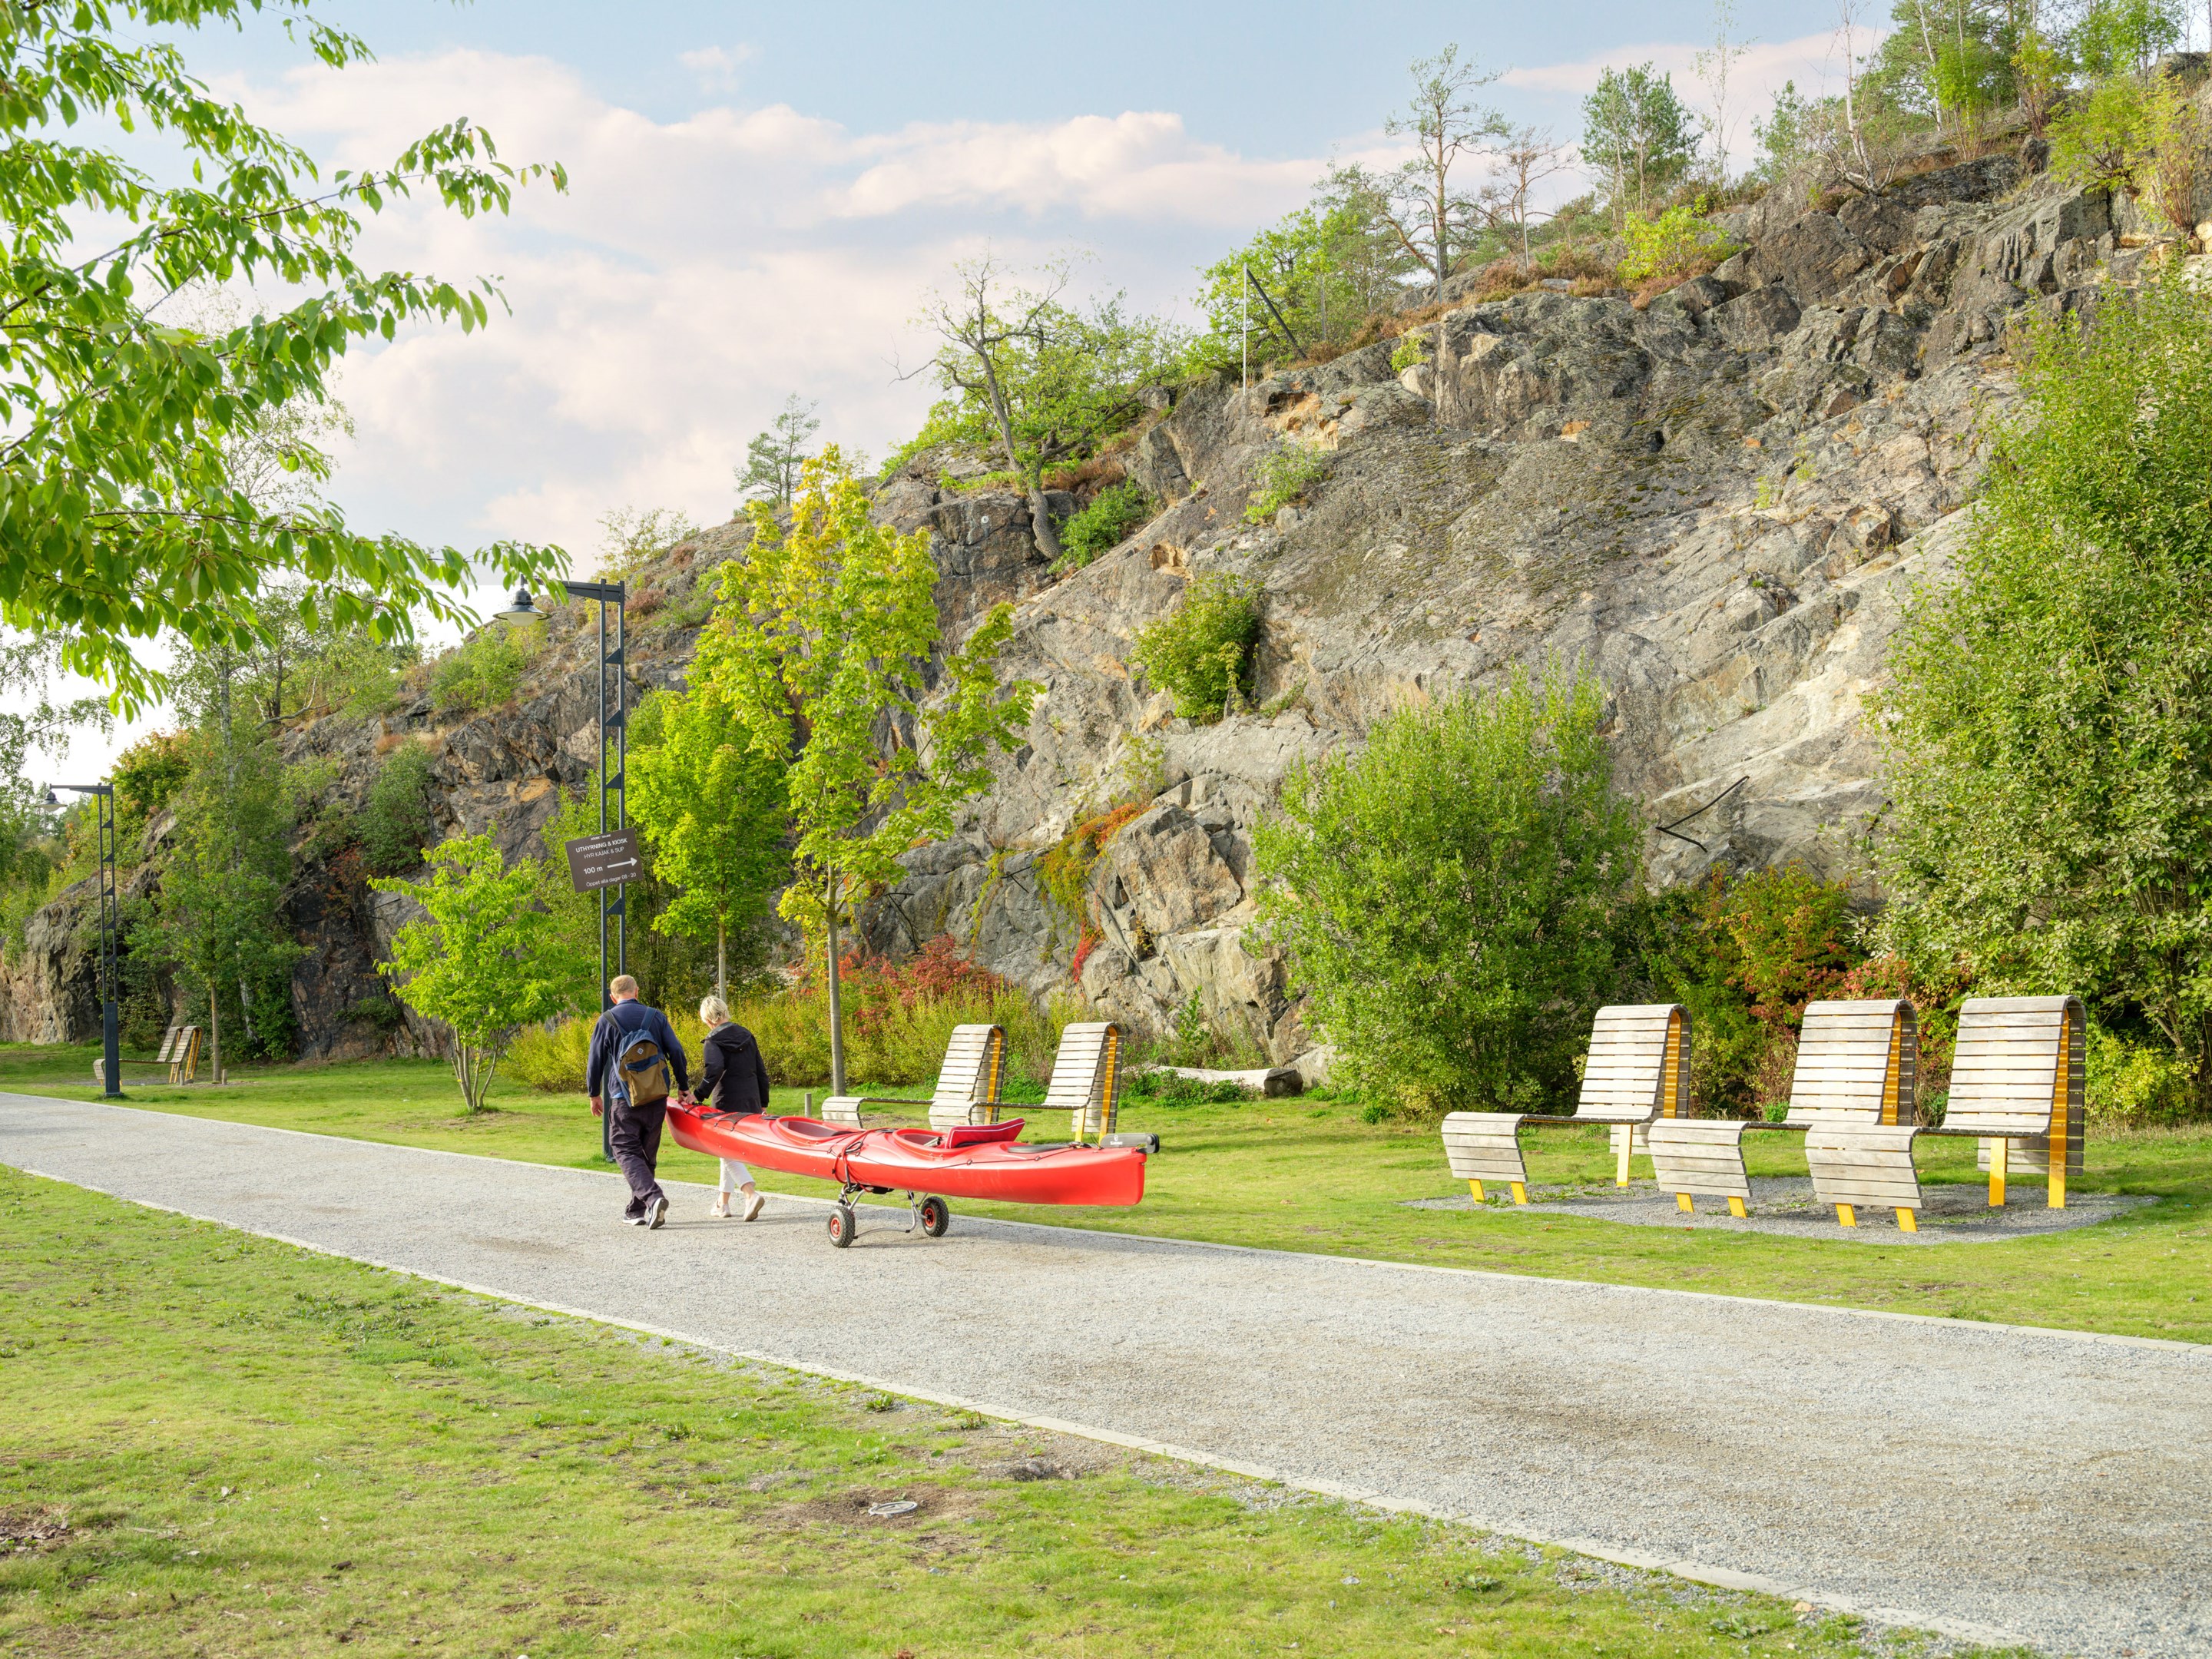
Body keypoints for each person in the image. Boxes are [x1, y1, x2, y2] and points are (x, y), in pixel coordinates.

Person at [586, 975, 691, 1230]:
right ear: (637, 991)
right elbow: (676, 1051)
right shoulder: (656, 1016)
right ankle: (637, 1211)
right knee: (646, 1154)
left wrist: (594, 1093)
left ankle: (653, 1198)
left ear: (613, 997)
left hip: (623, 1097)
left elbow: (595, 1060)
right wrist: (683, 1086)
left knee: (622, 1148)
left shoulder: (607, 1020)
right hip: (656, 1097)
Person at [697, 994, 772, 1221]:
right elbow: (761, 1072)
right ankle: (723, 1204)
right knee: (727, 1152)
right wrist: (763, 1103)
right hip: (750, 1101)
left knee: (724, 1149)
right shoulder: (747, 1035)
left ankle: (750, 1193)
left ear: (708, 1020)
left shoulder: (713, 1040)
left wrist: (698, 1095)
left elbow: (714, 1070)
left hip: (725, 1102)